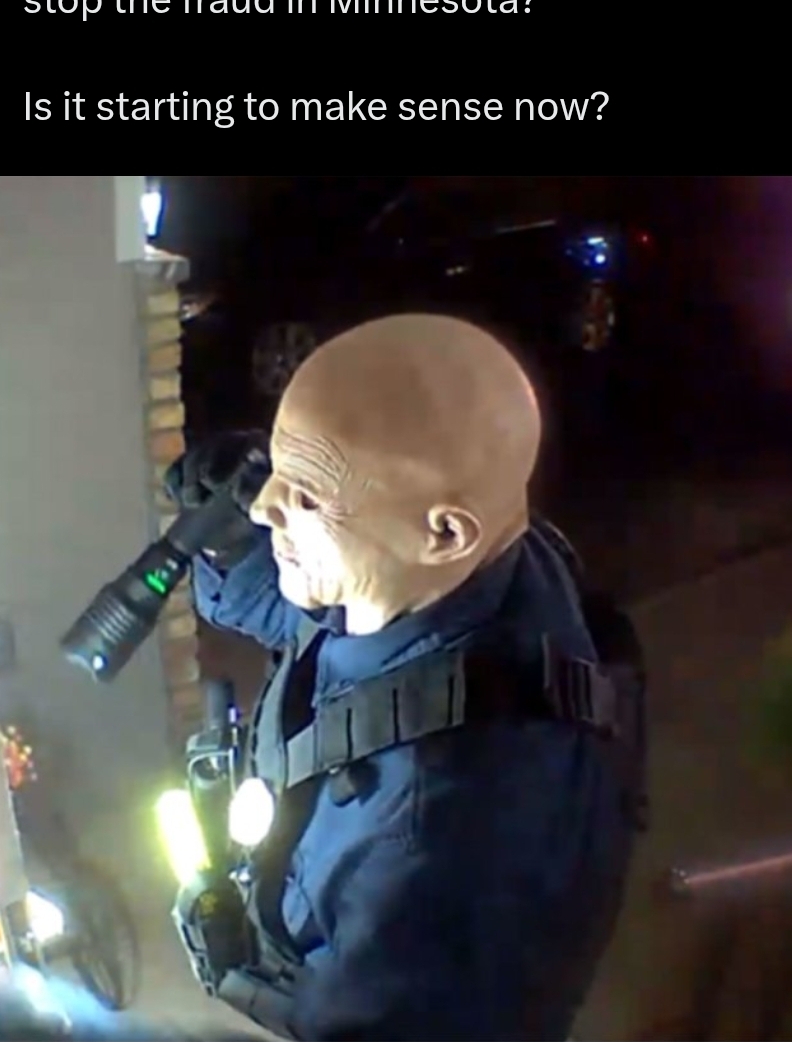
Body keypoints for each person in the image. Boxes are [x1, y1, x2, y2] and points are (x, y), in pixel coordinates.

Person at [176, 313, 645, 1041]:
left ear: (444, 532)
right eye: (276, 467)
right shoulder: (462, 570)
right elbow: (310, 616)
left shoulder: (437, 847)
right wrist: (230, 547)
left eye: (305, 494)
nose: (266, 506)